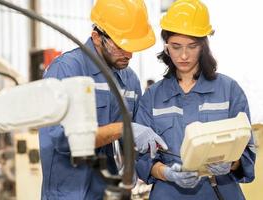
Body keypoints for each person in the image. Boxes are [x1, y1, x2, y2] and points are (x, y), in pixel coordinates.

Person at [38, 0, 167, 199]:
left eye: (133, 46)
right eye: (121, 46)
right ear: (97, 37)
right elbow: (61, 139)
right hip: (69, 194)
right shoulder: (67, 70)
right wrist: (123, 128)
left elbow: (135, 139)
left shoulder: (129, 79)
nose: (129, 54)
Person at [135, 0, 256, 199]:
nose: (184, 55)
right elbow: (142, 160)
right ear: (166, 47)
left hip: (220, 191)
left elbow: (246, 151)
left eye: (192, 46)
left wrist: (231, 164)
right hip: (169, 193)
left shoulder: (229, 90)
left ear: (204, 46)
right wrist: (167, 173)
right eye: (176, 46)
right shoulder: (152, 97)